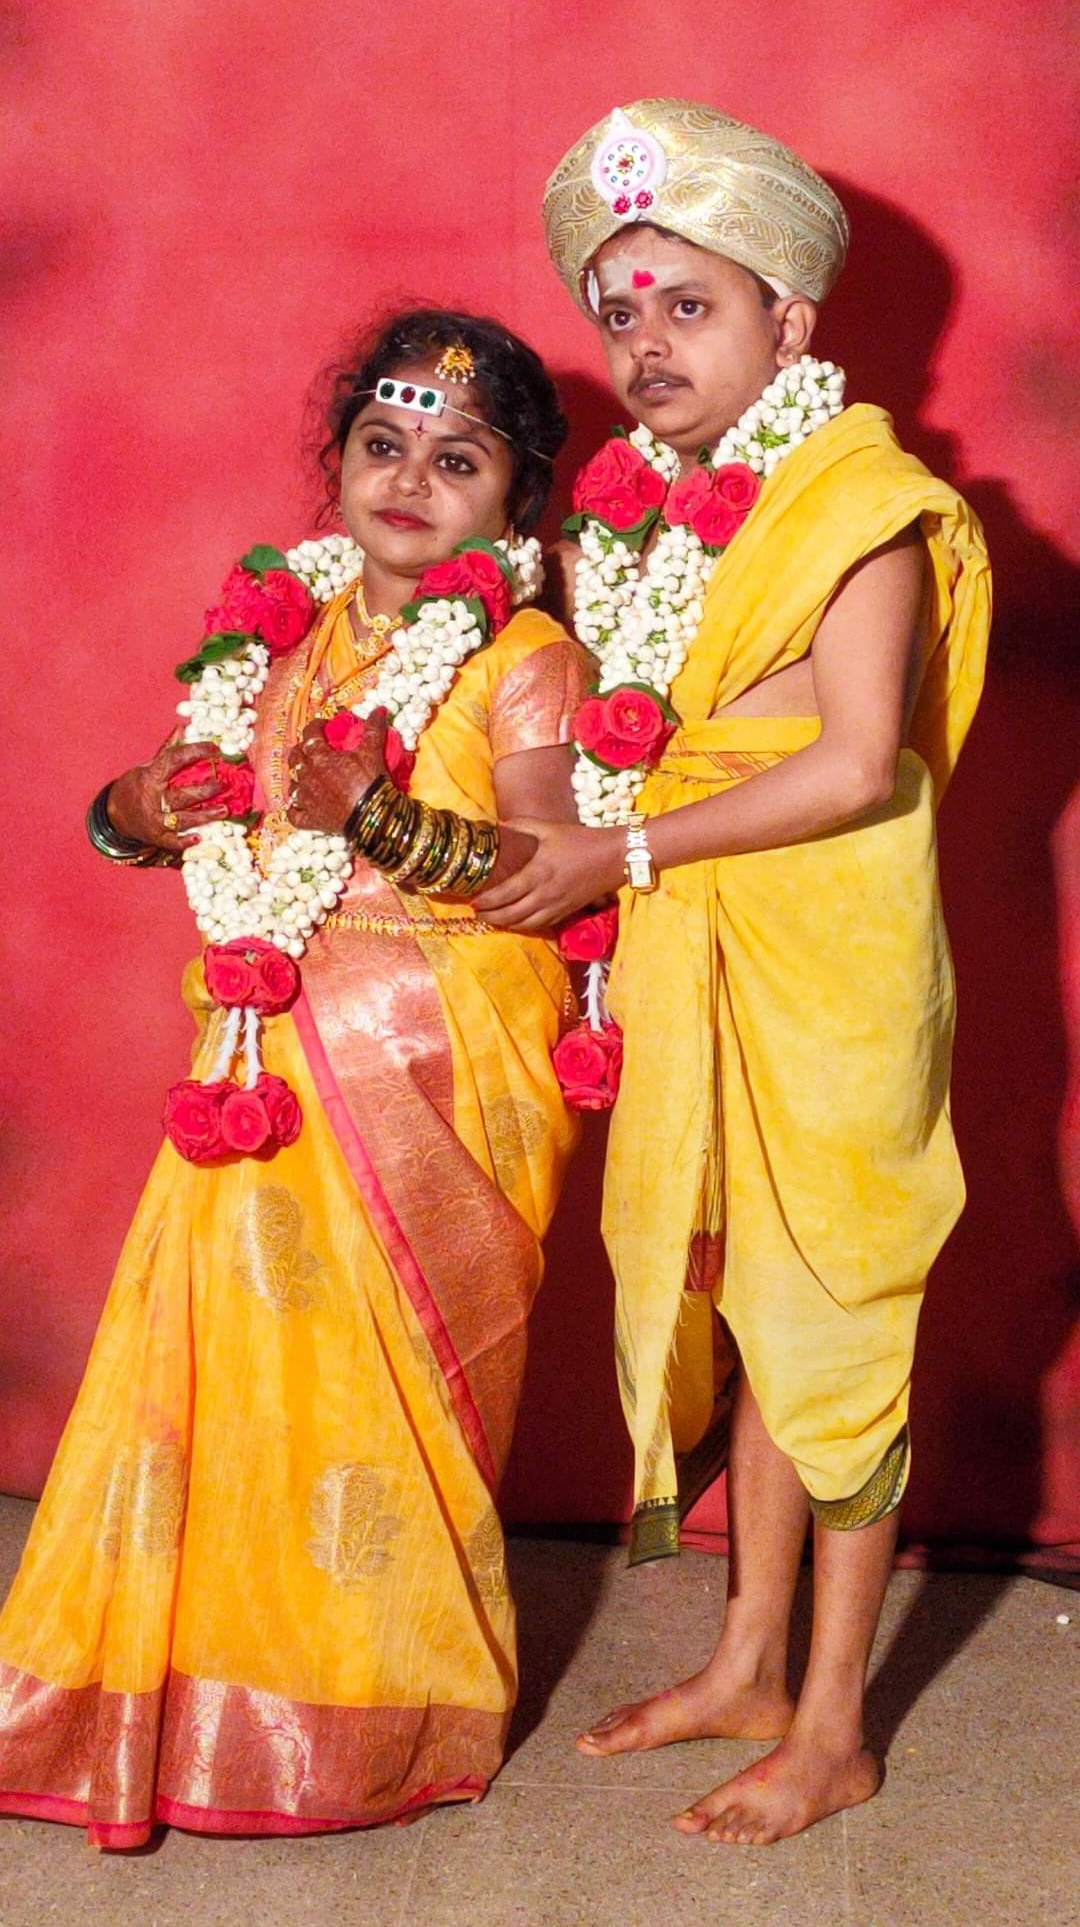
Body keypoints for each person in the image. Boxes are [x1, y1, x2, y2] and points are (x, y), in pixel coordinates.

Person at [0, 309, 590, 1845]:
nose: (410, 478)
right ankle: (197, 1695)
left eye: (457, 460)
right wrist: (133, 807)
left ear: (515, 502)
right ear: (332, 469)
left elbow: (548, 864)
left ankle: (358, 1715)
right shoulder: (287, 631)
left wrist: (388, 824)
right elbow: (176, 817)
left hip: (434, 1069)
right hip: (261, 1053)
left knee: (368, 1398)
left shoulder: (528, 658)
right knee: (227, 1372)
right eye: (381, 446)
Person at [475, 100, 991, 1844]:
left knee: (836, 1314)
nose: (643, 346)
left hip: (830, 954)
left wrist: (609, 856)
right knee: (753, 1306)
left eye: (689, 307)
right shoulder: (655, 516)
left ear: (793, 323)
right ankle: (750, 1657)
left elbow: (856, 765)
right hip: (701, 943)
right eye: (622, 314)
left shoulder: (865, 500)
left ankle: (837, 1719)